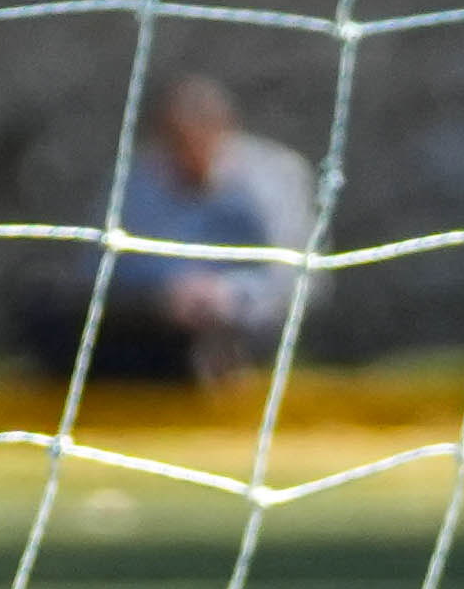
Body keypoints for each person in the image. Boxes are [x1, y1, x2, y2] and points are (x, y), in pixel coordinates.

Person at [62, 77, 316, 390]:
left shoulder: (276, 178)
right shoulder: (133, 183)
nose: (189, 151)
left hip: (244, 325)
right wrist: (164, 294)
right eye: (176, 140)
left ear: (226, 129)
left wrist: (227, 295)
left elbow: (299, 277)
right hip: (150, 322)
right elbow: (95, 269)